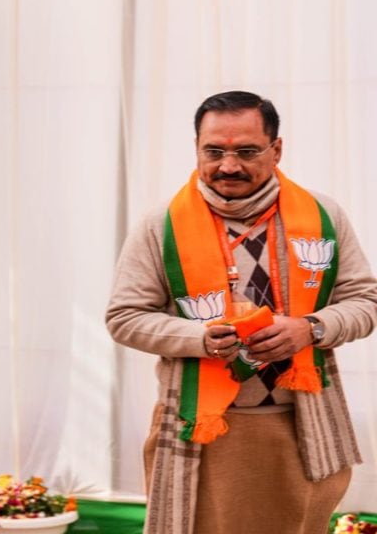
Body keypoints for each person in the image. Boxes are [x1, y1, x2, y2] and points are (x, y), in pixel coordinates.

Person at [106, 91, 377, 533]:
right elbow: (125, 316)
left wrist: (312, 328)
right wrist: (199, 338)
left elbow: (366, 300)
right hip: (204, 430)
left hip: (302, 425)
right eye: (214, 151)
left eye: (247, 151)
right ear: (196, 147)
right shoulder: (161, 226)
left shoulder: (324, 216)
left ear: (277, 149)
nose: (228, 165)